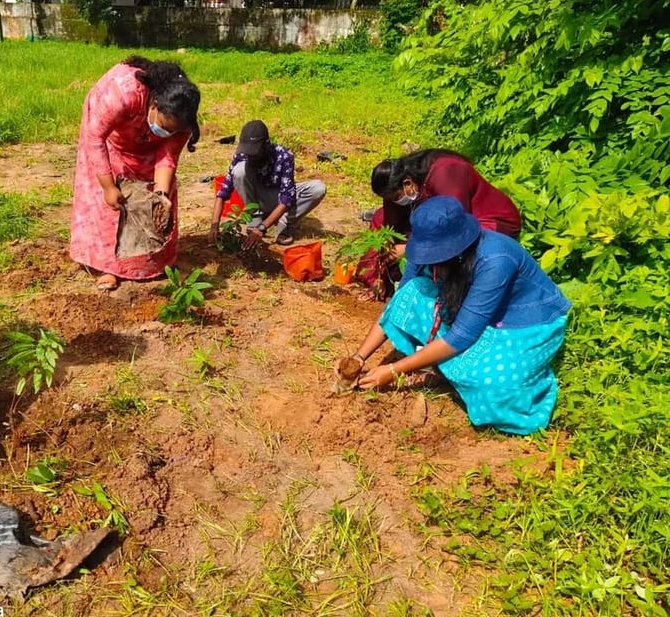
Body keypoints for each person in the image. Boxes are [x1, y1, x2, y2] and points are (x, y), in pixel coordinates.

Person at [340, 196, 570, 435]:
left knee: (495, 387)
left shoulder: (495, 260)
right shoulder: (425, 250)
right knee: (412, 293)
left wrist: (393, 370)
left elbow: (461, 337)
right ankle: (441, 366)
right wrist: (359, 357)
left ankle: (519, 380)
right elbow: (401, 301)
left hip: (522, 324)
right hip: (473, 314)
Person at [70, 56, 201, 291]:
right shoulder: (123, 93)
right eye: (163, 125)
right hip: (109, 140)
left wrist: (160, 194)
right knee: (112, 206)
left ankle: (153, 264)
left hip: (145, 146)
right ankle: (108, 267)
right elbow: (95, 137)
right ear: (154, 104)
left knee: (157, 202)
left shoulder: (182, 122)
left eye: (171, 131)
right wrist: (109, 187)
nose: (165, 133)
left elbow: (167, 157)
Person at [355, 148, 521, 300]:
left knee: (460, 252)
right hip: (440, 222)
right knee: (379, 217)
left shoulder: (446, 171)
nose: (395, 201)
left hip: (482, 221)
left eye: (396, 197)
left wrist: (407, 249)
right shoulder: (399, 184)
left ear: (407, 184)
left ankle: (449, 288)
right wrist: (377, 276)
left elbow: (453, 226)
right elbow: (389, 228)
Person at [208, 119, 326, 249]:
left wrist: (262, 228)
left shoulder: (284, 156)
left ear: (266, 145)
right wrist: (214, 225)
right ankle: (255, 217)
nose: (251, 157)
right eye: (249, 153)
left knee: (318, 188)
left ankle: (285, 222)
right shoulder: (243, 156)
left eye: (255, 153)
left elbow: (287, 198)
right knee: (239, 170)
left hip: (278, 199)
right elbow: (222, 193)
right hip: (256, 198)